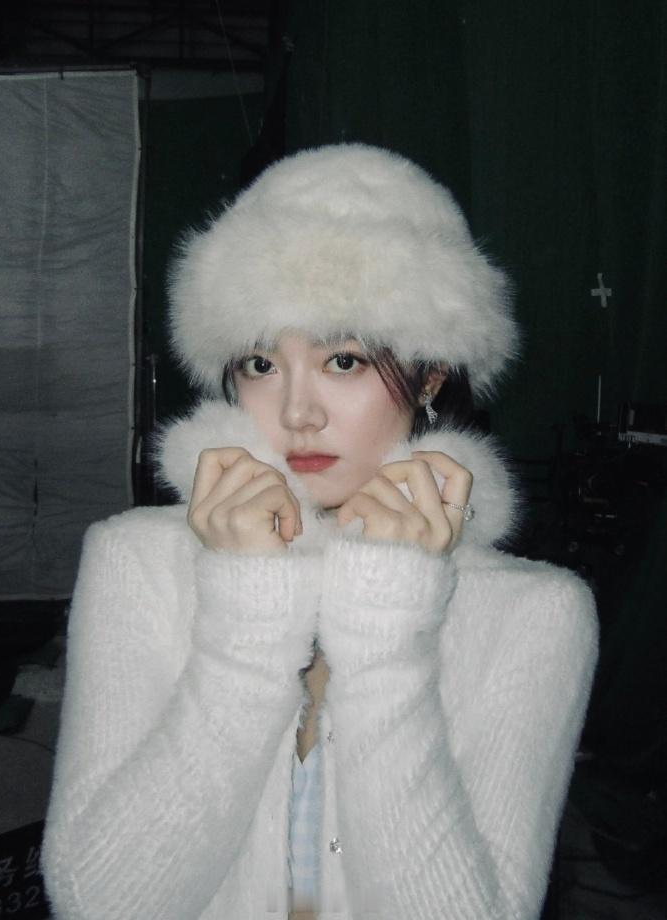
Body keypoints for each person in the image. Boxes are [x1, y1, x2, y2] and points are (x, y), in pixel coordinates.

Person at [42, 144, 598, 920]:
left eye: (342, 360)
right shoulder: (136, 559)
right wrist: (246, 620)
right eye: (260, 364)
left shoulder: (535, 613)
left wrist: (386, 637)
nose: (297, 411)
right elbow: (98, 904)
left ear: (432, 373)